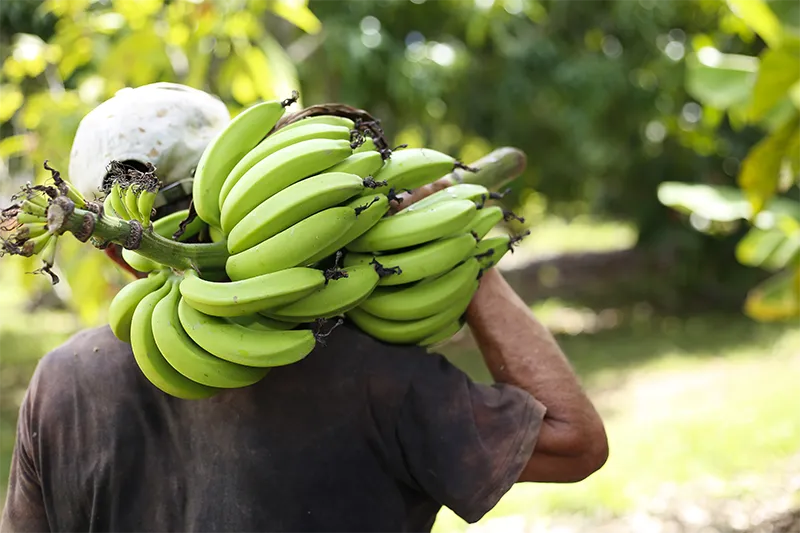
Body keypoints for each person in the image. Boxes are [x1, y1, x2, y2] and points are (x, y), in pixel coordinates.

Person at [0, 84, 608, 533]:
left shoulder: (62, 384)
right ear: (254, 176)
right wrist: (468, 256)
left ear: (111, 252)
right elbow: (574, 441)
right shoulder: (368, 371)